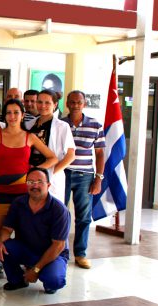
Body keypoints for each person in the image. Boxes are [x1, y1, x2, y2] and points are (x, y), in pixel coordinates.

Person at [0, 99, 56, 280]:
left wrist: (35, 172)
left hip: (24, 194)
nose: (12, 116)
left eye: (16, 112)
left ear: (22, 115)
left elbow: (52, 158)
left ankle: (27, 267)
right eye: (8, 112)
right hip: (1, 191)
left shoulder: (30, 137)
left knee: (25, 232)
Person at [0, 168, 70, 294]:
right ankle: (18, 280)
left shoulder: (59, 210)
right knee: (5, 246)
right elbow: (7, 229)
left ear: (48, 185)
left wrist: (36, 270)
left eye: (40, 182)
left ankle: (49, 281)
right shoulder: (18, 203)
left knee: (54, 279)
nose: (35, 185)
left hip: (53, 254)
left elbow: (58, 245)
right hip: (28, 249)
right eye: (30, 182)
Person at [61, 90, 105, 269]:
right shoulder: (61, 124)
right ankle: (60, 251)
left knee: (84, 217)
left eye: (79, 102)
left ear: (84, 104)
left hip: (85, 176)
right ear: (67, 104)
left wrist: (99, 178)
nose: (75, 105)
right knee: (60, 214)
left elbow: (100, 153)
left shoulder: (95, 125)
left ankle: (80, 253)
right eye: (72, 102)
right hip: (62, 174)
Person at [29, 89, 75, 201]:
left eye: (47, 103)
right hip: (30, 173)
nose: (42, 106)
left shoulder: (62, 126)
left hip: (51, 176)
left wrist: (51, 173)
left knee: (51, 210)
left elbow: (70, 156)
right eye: (39, 102)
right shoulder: (29, 124)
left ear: (55, 105)